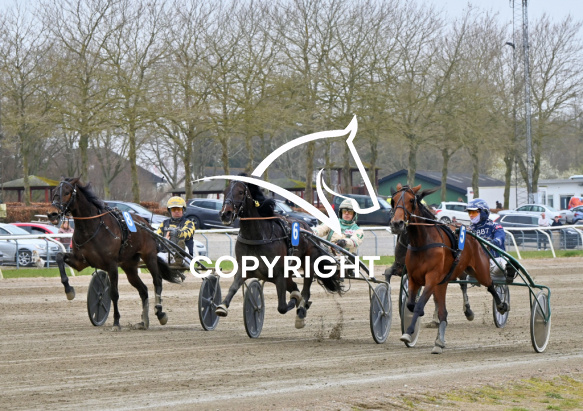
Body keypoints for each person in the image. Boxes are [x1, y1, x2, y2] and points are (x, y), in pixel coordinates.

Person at [466, 198, 515, 283]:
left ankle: (509, 271)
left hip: (495, 260)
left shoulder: (494, 226)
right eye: (469, 213)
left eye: (474, 212)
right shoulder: (469, 229)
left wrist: (489, 243)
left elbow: (500, 239)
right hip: (478, 262)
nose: (471, 215)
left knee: (505, 262)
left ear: (483, 212)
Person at [313, 199, 364, 277]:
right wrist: (313, 232)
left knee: (354, 256)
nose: (346, 213)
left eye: (350, 212)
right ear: (341, 212)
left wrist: (344, 242)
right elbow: (321, 229)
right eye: (344, 211)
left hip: (345, 256)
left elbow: (355, 241)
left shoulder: (358, 230)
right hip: (328, 253)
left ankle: (349, 270)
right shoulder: (332, 223)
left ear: (355, 214)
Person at [156, 196, 195, 266]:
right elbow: (157, 236)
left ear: (183, 210)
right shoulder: (164, 223)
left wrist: (176, 233)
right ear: (170, 211)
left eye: (179, 209)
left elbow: (188, 233)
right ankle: (174, 260)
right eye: (174, 209)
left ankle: (179, 259)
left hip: (186, 255)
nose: (176, 211)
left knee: (181, 243)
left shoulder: (189, 223)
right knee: (158, 256)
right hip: (166, 253)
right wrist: (164, 239)